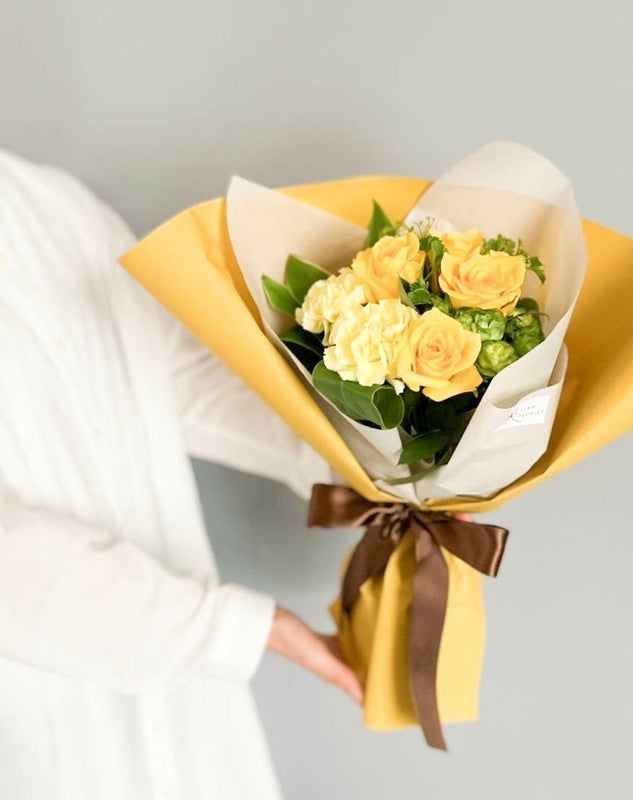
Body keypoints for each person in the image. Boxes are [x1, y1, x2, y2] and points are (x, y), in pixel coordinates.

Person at [0, 150, 363, 800]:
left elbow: (174, 379)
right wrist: (235, 628)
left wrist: (373, 453)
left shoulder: (60, 208)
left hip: (199, 739)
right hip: (47, 750)